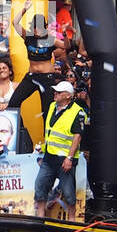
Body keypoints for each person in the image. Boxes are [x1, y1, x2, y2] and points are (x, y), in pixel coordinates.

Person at [34, 81, 85, 219]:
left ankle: (72, 219)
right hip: (49, 156)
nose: (55, 93)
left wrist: (69, 157)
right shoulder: (52, 106)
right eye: (55, 91)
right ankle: (41, 215)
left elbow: (77, 136)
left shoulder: (78, 112)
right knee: (40, 185)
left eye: (59, 92)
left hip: (65, 159)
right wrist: (43, 147)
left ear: (68, 96)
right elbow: (51, 131)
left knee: (68, 192)